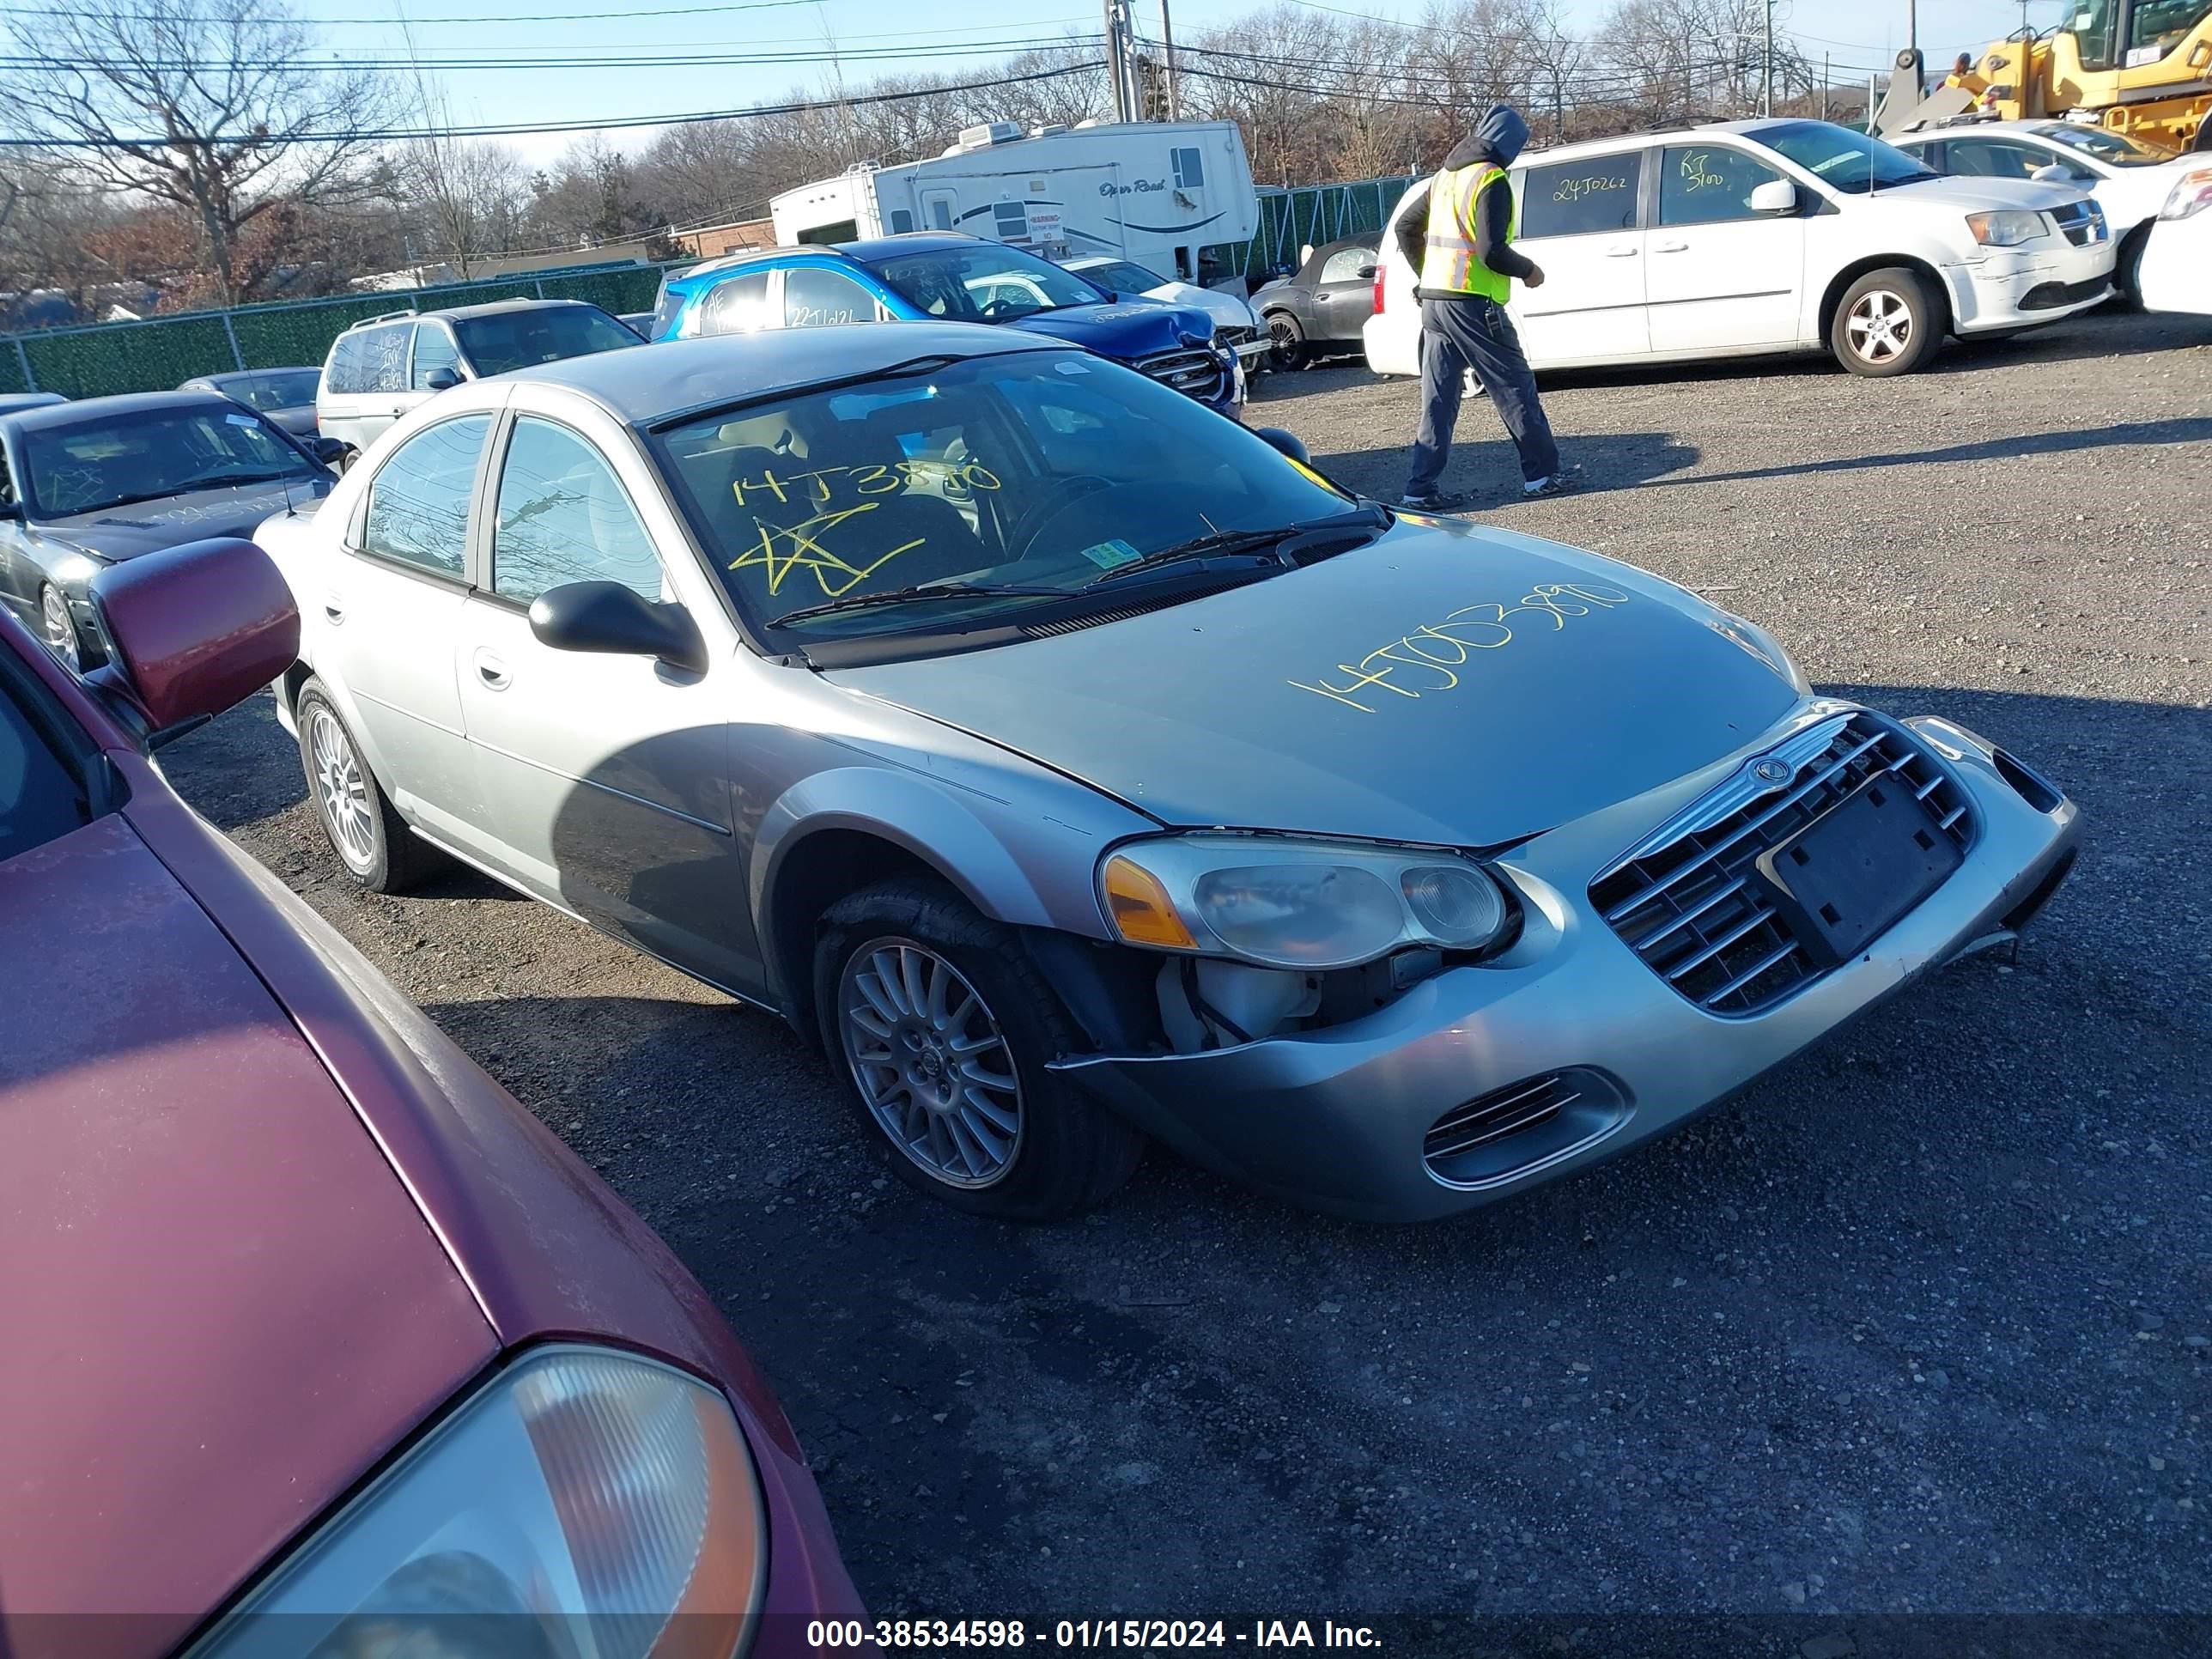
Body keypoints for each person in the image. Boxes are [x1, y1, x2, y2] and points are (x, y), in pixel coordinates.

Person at [1392, 103, 1573, 510]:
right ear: (1510, 146)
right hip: (1474, 304)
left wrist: (1428, 275)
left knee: (1438, 400)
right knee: (1514, 388)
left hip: (1435, 303)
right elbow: (1492, 253)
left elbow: (1406, 228)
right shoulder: (1491, 178)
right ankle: (1541, 476)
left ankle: (1419, 489)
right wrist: (1529, 270)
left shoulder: (1445, 178)